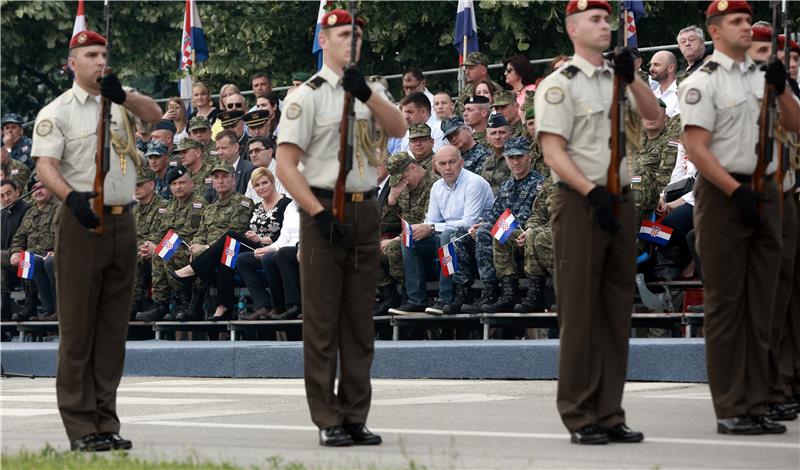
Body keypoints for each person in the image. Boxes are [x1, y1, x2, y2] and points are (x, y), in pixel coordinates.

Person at [275, 8, 406, 447]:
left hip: (364, 210)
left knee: (358, 321)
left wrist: (367, 94)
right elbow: (286, 166)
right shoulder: (306, 96)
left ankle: (355, 414)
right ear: (324, 39)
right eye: (344, 34)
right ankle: (327, 417)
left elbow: (400, 126)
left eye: (357, 36)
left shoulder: (374, 89)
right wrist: (315, 211)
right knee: (322, 321)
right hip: (322, 211)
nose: (353, 42)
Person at [535, 0, 661, 445]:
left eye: (607, 19)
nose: (605, 25)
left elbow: (655, 118)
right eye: (594, 19)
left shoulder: (617, 79)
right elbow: (553, 153)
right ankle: (579, 412)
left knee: (615, 310)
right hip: (580, 201)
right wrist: (591, 193)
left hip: (621, 199)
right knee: (581, 311)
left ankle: (610, 411)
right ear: (573, 29)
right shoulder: (559, 85)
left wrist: (634, 76)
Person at [32, 29, 161, 451]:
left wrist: (122, 95)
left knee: (111, 330)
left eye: (104, 53)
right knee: (78, 329)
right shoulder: (59, 111)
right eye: (91, 54)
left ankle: (106, 421)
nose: (100, 60)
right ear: (73, 62)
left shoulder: (118, 101)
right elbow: (45, 166)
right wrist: (70, 197)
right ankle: (82, 426)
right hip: (82, 219)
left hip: (124, 221)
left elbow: (155, 114)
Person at [679, 0, 800, 435]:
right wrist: (735, 192)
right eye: (737, 21)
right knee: (728, 306)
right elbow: (696, 146)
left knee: (763, 305)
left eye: (749, 20)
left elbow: (794, 124)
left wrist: (782, 87)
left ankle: (760, 398)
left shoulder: (761, 76)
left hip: (767, 192)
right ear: (715, 30)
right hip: (724, 194)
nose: (746, 26)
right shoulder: (703, 81)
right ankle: (731, 406)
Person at [402, 145, 493, 315]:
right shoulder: (437, 187)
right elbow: (431, 220)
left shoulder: (474, 183)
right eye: (442, 163)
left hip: (474, 239)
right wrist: (422, 228)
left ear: (461, 162)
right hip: (447, 236)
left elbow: (469, 222)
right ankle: (416, 300)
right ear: (435, 166)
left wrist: (431, 227)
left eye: (452, 162)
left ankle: (446, 297)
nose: (448, 168)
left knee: (447, 236)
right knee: (410, 239)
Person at [460, 136, 545, 314]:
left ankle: (507, 292)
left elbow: (526, 216)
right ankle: (490, 289)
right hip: (506, 230)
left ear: (529, 156)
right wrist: (482, 224)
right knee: (474, 232)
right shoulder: (507, 185)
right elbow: (495, 212)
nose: (515, 161)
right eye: (511, 157)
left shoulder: (538, 183)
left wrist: (491, 227)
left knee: (495, 233)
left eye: (519, 156)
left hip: (524, 233)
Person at [169, 161, 254, 321]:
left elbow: (237, 232)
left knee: (225, 256)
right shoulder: (210, 208)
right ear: (212, 183)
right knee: (167, 254)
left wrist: (206, 247)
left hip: (235, 249)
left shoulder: (243, 203)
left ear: (233, 180)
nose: (220, 181)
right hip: (203, 250)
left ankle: (216, 305)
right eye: (216, 178)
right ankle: (187, 304)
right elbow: (200, 232)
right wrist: (196, 245)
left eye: (224, 177)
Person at [136, 165, 207, 322]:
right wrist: (149, 244)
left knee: (163, 254)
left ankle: (184, 303)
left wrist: (160, 247)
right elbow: (161, 231)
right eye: (174, 184)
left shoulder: (198, 204)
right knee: (150, 254)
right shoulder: (171, 205)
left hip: (190, 249)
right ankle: (158, 304)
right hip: (172, 246)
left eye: (182, 183)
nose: (178, 187)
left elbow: (186, 234)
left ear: (192, 184)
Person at [377, 152, 438, 315]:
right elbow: (387, 224)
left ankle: (410, 295)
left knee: (396, 247)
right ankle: (388, 295)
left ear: (413, 168)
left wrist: (397, 238)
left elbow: (426, 220)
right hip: (405, 236)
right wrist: (392, 199)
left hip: (427, 237)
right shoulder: (403, 186)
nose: (401, 182)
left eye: (403, 177)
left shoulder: (434, 185)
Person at [234, 168, 294, 320]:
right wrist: (251, 235)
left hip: (279, 248)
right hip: (258, 247)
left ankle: (277, 306)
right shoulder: (256, 208)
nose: (261, 187)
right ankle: (262, 305)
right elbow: (252, 229)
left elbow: (287, 233)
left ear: (273, 183)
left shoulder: (285, 204)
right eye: (257, 185)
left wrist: (264, 240)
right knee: (240, 258)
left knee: (267, 257)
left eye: (265, 183)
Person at [631, 98, 679, 228]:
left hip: (652, 193)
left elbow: (665, 176)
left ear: (664, 116)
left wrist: (660, 195)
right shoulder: (636, 138)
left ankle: (633, 241)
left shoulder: (671, 142)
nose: (650, 118)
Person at [131, 167, 168, 319]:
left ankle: (156, 304)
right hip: (138, 250)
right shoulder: (134, 209)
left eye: (139, 185)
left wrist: (144, 246)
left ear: (152, 185)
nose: (135, 188)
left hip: (154, 250)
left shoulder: (163, 207)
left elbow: (161, 233)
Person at [0, 179, 31, 320]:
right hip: (8, 263)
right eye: (2, 195)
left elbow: (25, 242)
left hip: (27, 261)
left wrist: (14, 253)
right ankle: (4, 314)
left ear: (17, 192)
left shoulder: (27, 210)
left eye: (9, 193)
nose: (6, 198)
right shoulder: (3, 215)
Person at [215, 130, 254, 195]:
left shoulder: (249, 169)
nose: (220, 152)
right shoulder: (216, 170)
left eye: (224, 148)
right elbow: (209, 196)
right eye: (217, 149)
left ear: (236, 147)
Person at [481, 113, 512, 195]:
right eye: (493, 133)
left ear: (509, 135)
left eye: (502, 132)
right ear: (487, 138)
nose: (497, 137)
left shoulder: (515, 160)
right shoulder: (486, 163)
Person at [648, 51, 680, 118]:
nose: (651, 69)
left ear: (670, 68)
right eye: (651, 65)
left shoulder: (682, 94)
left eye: (656, 65)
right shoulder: (651, 95)